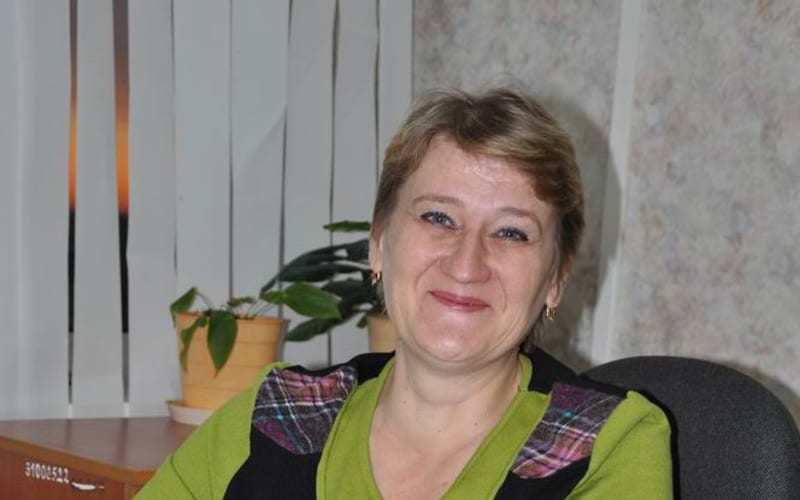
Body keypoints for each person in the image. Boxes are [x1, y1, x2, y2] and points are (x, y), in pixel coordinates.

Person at [138, 87, 672, 499]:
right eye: (438, 217)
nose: (466, 263)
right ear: (378, 244)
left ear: (555, 279)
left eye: (512, 232)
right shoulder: (279, 414)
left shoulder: (603, 444)